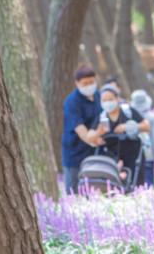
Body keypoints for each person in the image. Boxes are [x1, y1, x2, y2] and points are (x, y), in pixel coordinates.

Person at [96, 83, 149, 190]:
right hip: (113, 160)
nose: (107, 103)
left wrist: (127, 127)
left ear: (117, 98)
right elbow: (94, 138)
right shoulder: (102, 118)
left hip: (133, 156)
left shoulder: (127, 111)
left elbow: (146, 126)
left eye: (110, 99)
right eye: (104, 100)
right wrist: (98, 136)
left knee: (136, 185)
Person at [62, 65, 104, 195]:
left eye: (91, 82)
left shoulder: (98, 96)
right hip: (75, 152)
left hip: (96, 152)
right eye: (85, 83)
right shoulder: (72, 102)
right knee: (74, 191)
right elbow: (83, 134)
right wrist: (98, 135)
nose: (89, 86)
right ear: (77, 83)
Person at [129, 89, 154, 190]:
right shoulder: (150, 118)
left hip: (135, 154)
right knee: (149, 179)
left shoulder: (130, 118)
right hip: (149, 154)